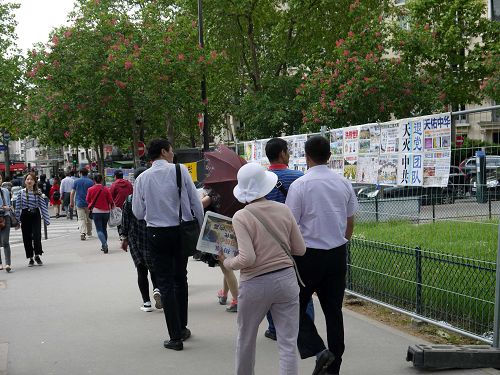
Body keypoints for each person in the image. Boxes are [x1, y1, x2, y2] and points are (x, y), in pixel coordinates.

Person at [220, 162, 306, 375]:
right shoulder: (284, 210)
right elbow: (300, 249)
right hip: (286, 280)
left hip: (255, 283)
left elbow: (247, 258)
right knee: (287, 343)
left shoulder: (242, 216)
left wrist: (227, 262)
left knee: (246, 338)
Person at [285, 136, 359, 375]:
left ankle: (318, 349)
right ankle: (333, 368)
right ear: (330, 156)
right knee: (334, 313)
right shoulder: (343, 183)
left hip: (307, 256)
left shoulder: (300, 185)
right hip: (337, 254)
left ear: (306, 157)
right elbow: (350, 220)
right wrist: (343, 241)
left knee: (293, 306)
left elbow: (290, 225)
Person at [132, 138, 204, 351]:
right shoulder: (181, 171)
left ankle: (175, 337)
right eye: (171, 150)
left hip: (156, 234)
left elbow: (138, 212)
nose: (173, 154)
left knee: (164, 283)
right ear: (164, 151)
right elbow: (195, 204)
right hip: (181, 231)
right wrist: (201, 229)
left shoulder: (143, 178)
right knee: (181, 278)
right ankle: (182, 326)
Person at [263, 137, 315, 342]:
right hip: (295, 240)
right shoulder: (298, 177)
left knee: (268, 287)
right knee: (302, 287)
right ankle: (305, 330)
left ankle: (274, 329)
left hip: (267, 242)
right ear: (283, 153)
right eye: (288, 151)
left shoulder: (261, 179)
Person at [121, 167, 162, 312]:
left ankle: (146, 303)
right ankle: (157, 289)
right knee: (154, 267)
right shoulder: (155, 197)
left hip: (136, 239)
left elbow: (125, 221)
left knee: (141, 270)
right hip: (153, 235)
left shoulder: (130, 199)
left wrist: (124, 238)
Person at [201, 191, 239, 313]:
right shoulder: (238, 191)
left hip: (219, 229)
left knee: (225, 267)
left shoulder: (214, 193)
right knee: (226, 266)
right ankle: (224, 294)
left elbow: (200, 205)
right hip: (235, 227)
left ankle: (237, 300)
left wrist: (204, 197)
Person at [15, 173, 51, 267]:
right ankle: (30, 257)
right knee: (26, 237)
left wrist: (47, 219)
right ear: (25, 181)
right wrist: (17, 221)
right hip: (25, 215)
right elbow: (18, 207)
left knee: (36, 236)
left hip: (35, 215)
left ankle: (37, 255)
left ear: (35, 181)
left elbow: (43, 206)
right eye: (27, 179)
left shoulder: (38, 192)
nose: (29, 181)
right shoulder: (21, 192)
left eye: (31, 179)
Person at [86, 174, 113, 253]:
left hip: (96, 211)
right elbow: (111, 200)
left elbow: (87, 200)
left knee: (99, 229)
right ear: (102, 180)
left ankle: (104, 244)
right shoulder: (106, 189)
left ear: (94, 180)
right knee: (104, 228)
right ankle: (104, 244)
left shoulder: (90, 189)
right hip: (106, 212)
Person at [70, 168, 94, 241]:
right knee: (89, 218)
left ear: (80, 173)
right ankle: (89, 233)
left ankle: (82, 233)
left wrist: (71, 202)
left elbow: (72, 193)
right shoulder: (91, 182)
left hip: (79, 203)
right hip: (88, 203)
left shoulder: (76, 181)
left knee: (81, 218)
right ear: (87, 173)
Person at [110, 169, 133, 239]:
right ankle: (129, 234)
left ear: (115, 176)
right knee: (129, 220)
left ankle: (121, 234)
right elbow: (132, 193)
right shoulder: (129, 183)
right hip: (129, 204)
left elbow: (111, 195)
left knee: (119, 221)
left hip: (118, 206)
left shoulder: (114, 184)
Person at [0, 174, 13, 272]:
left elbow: (9, 205)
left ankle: (8, 263)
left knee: (5, 241)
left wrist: (8, 208)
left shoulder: (5, 191)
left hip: (5, 217)